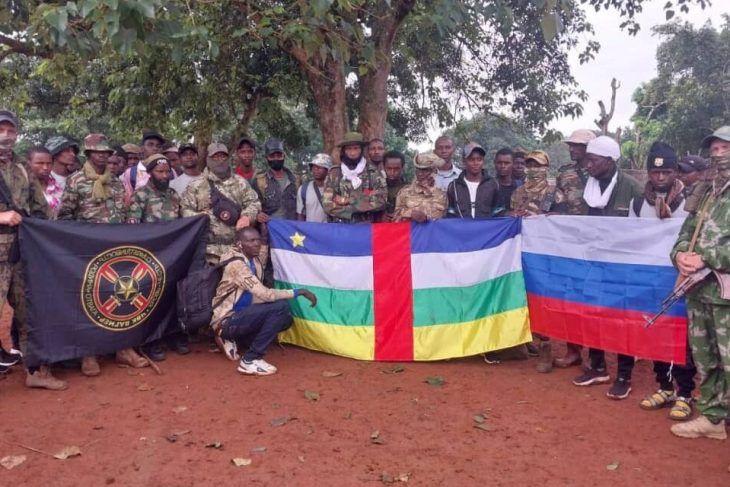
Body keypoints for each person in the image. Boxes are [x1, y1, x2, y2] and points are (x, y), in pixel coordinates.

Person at [58, 133, 150, 376]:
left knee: (120, 297)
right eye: (97, 152)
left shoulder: (116, 182)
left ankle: (123, 348)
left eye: (105, 152)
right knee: (88, 301)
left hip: (114, 250)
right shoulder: (76, 180)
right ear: (88, 154)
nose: (102, 155)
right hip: (86, 250)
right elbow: (65, 217)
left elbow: (122, 214)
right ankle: (88, 354)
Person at [627, 142, 696, 421]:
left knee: (682, 337)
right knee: (656, 332)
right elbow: (630, 240)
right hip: (650, 279)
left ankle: (685, 393)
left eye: (666, 172)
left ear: (675, 172)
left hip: (682, 278)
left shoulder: (691, 202)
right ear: (648, 173)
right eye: (655, 173)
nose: (660, 177)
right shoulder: (637, 203)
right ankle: (664, 387)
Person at [669, 125, 730, 440]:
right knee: (706, 358)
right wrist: (680, 255)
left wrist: (706, 257)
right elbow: (685, 233)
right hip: (699, 290)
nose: (719, 155)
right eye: (714, 150)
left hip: (726, 294)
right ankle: (712, 419)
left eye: (725, 148)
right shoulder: (706, 192)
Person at [572, 136, 642, 399]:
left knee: (623, 319)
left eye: (593, 160)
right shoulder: (587, 187)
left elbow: (644, 230)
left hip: (623, 266)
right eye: (587, 160)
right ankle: (598, 366)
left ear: (610, 161)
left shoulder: (632, 188)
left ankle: (624, 375)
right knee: (593, 314)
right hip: (594, 262)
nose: (588, 164)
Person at [0, 110, 64, 389]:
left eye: (10, 130)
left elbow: (40, 210)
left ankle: (36, 371)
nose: (6, 135)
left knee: (29, 312)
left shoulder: (23, 168)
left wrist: (58, 236)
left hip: (21, 251)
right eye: (1, 130)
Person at [210, 226, 317, 375]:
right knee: (280, 308)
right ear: (240, 244)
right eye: (251, 240)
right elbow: (266, 295)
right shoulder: (236, 265)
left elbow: (263, 252)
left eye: (258, 240)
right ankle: (250, 360)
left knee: (286, 319)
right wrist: (299, 292)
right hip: (227, 320)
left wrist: (265, 231)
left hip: (242, 315)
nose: (257, 244)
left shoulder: (253, 258)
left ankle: (236, 339)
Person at [127, 154, 188, 361]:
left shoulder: (173, 195)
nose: (164, 176)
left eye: (167, 172)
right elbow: (133, 227)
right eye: (159, 172)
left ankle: (173, 334)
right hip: (150, 256)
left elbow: (183, 223)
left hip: (174, 253)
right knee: (152, 297)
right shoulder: (141, 195)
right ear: (150, 173)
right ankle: (151, 341)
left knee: (174, 295)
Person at [552, 129, 596, 368]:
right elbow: (558, 205)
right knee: (571, 297)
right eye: (571, 145)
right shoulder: (565, 173)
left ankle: (598, 356)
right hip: (571, 244)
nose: (572, 149)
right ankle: (573, 350)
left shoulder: (601, 172)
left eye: (578, 145)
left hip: (597, 244)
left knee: (595, 299)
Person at [180, 142, 261, 264]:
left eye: (223, 156)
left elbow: (254, 202)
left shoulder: (240, 182)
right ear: (208, 159)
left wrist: (247, 217)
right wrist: (202, 217)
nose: (220, 160)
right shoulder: (196, 185)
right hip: (208, 252)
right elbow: (184, 210)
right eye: (215, 157)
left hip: (237, 250)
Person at [322, 132, 387, 223]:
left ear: (361, 150)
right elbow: (327, 203)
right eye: (349, 149)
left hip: (365, 227)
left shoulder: (373, 172)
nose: (352, 153)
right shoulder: (335, 173)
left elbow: (381, 200)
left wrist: (348, 200)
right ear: (344, 150)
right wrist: (351, 212)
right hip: (340, 227)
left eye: (356, 148)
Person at [252, 138, 299, 222]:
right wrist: (258, 215)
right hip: (270, 227)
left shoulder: (296, 180)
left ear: (284, 156)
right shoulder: (259, 181)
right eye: (272, 156)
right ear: (266, 158)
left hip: (292, 226)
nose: (276, 159)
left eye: (279, 155)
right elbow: (253, 205)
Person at [446, 142, 497, 219]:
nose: (476, 163)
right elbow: (450, 213)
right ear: (464, 161)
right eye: (471, 159)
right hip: (461, 227)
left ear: (483, 161)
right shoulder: (454, 186)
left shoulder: (493, 184)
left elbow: (498, 212)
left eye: (479, 159)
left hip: (486, 227)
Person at [392, 152, 447, 222]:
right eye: (418, 169)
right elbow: (395, 219)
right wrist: (410, 213)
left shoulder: (442, 194)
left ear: (434, 171)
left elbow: (444, 220)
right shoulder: (404, 192)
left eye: (425, 170)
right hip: (411, 229)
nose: (420, 173)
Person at [121, 130, 165, 200]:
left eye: (158, 146)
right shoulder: (131, 173)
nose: (155, 148)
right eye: (150, 145)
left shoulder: (166, 171)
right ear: (142, 148)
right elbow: (128, 199)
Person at [27, 146, 63, 216]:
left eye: (49, 163)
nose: (45, 167)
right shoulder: (23, 187)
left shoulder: (56, 186)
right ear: (28, 163)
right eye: (40, 163)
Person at [297, 153, 332, 223]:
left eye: (320, 167)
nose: (316, 170)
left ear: (327, 170)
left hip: (329, 228)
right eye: (314, 167)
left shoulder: (334, 189)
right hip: (310, 229)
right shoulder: (303, 189)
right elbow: (300, 215)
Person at [381, 150, 408, 222]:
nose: (392, 172)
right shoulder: (376, 187)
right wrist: (379, 217)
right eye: (389, 168)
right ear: (384, 167)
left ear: (402, 168)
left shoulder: (409, 189)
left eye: (396, 169)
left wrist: (402, 215)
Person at [492, 148, 517, 216]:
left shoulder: (519, 187)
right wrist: (506, 214)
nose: (503, 166)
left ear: (513, 164)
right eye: (499, 163)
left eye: (507, 163)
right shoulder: (487, 186)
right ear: (494, 163)